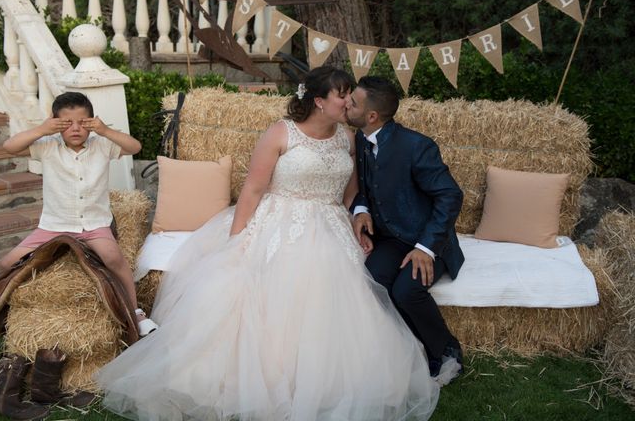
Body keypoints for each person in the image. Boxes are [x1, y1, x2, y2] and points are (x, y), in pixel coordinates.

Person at [95, 67, 440, 421]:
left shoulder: (345, 139)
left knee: (333, 294)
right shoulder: (281, 133)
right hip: (278, 222)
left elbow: (350, 191)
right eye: (342, 94)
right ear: (319, 101)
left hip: (330, 225)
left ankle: (321, 379)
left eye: (350, 93)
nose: (348, 100)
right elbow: (253, 190)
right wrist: (238, 240)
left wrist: (358, 218)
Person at [0, 92, 158, 336]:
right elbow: (10, 147)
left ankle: (135, 312)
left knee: (113, 258)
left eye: (83, 123)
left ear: (92, 122)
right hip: (54, 225)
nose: (75, 129)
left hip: (94, 225)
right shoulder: (48, 146)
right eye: (67, 123)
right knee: (7, 262)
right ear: (56, 123)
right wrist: (43, 129)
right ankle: (12, 312)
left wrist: (104, 130)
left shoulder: (102, 145)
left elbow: (134, 146)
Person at [345, 76, 465, 378]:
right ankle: (405, 348)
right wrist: (360, 209)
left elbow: (450, 195)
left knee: (406, 291)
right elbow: (364, 185)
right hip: (390, 239)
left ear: (372, 116)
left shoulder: (417, 146)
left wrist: (426, 248)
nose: (347, 102)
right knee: (373, 282)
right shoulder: (361, 138)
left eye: (354, 102)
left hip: (427, 241)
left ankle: (447, 351)